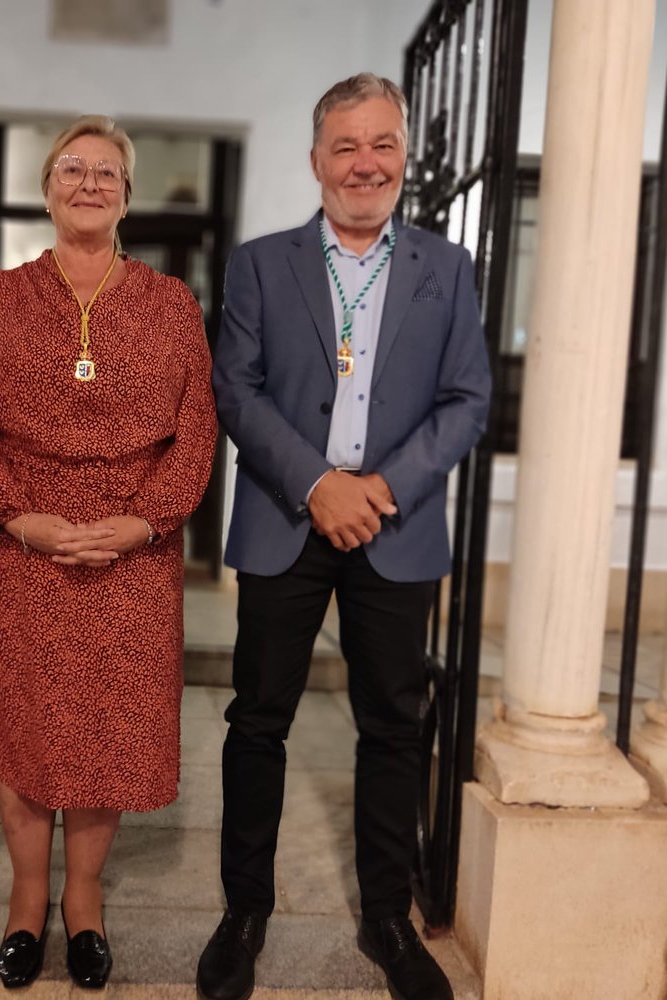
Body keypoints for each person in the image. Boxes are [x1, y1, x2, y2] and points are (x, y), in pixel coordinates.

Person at [197, 74, 490, 1000]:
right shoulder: (260, 262)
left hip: (395, 528)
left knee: (392, 730)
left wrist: (381, 487)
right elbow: (234, 388)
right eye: (346, 146)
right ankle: (244, 912)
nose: (366, 163)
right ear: (316, 158)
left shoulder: (448, 269)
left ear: (403, 155)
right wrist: (319, 484)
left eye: (382, 144)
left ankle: (387, 921)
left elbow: (468, 399)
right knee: (258, 722)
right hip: (289, 518)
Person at [0, 114, 217, 990]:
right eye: (71, 168)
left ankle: (83, 902)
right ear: (49, 188)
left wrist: (147, 521)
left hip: (131, 556)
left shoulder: (172, 303)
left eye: (106, 171)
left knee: (103, 733)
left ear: (127, 193)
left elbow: (199, 431)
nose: (89, 182)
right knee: (22, 723)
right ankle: (27, 900)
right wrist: (17, 515)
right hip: (16, 550)